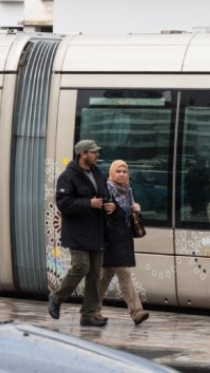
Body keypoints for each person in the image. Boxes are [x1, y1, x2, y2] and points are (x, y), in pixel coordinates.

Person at [48, 139, 115, 327]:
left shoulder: (97, 173)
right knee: (81, 267)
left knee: (94, 274)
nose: (97, 155)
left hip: (97, 231)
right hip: (78, 233)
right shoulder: (68, 176)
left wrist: (110, 205)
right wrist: (87, 204)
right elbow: (63, 203)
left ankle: (88, 315)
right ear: (83, 154)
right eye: (93, 152)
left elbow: (104, 196)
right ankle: (56, 298)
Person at [94, 159, 150, 326]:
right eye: (118, 171)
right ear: (112, 173)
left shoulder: (129, 192)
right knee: (124, 274)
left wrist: (137, 211)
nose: (121, 174)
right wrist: (111, 209)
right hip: (110, 240)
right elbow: (100, 215)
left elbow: (127, 218)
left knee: (105, 277)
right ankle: (136, 311)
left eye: (124, 171)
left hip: (123, 239)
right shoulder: (106, 190)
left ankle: (92, 309)